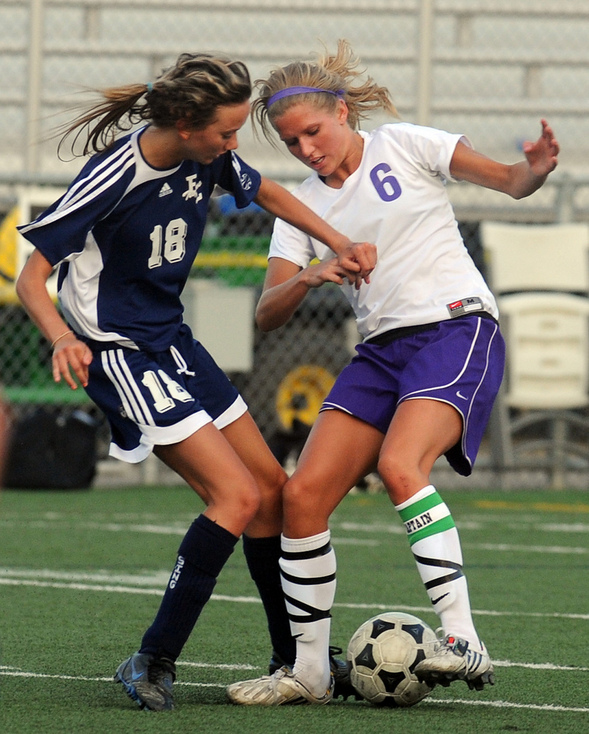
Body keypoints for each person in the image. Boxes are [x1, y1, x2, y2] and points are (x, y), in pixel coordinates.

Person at [15, 51, 376, 712]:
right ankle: (151, 658)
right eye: (225, 133)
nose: (232, 146)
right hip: (119, 352)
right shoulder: (113, 176)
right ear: (184, 123)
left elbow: (262, 189)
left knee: (272, 490)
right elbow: (30, 277)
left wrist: (334, 241)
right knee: (235, 496)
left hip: (173, 341)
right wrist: (63, 338)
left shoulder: (205, 153)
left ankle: (291, 658)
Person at [227, 40, 560, 705]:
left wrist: (535, 169)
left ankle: (463, 640)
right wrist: (314, 274)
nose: (306, 150)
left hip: (455, 327)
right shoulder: (299, 206)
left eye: (313, 133)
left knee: (401, 467)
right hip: (379, 352)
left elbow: (509, 182)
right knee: (301, 497)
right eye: (291, 143)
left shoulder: (404, 144)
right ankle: (311, 672)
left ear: (343, 111)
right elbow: (266, 313)